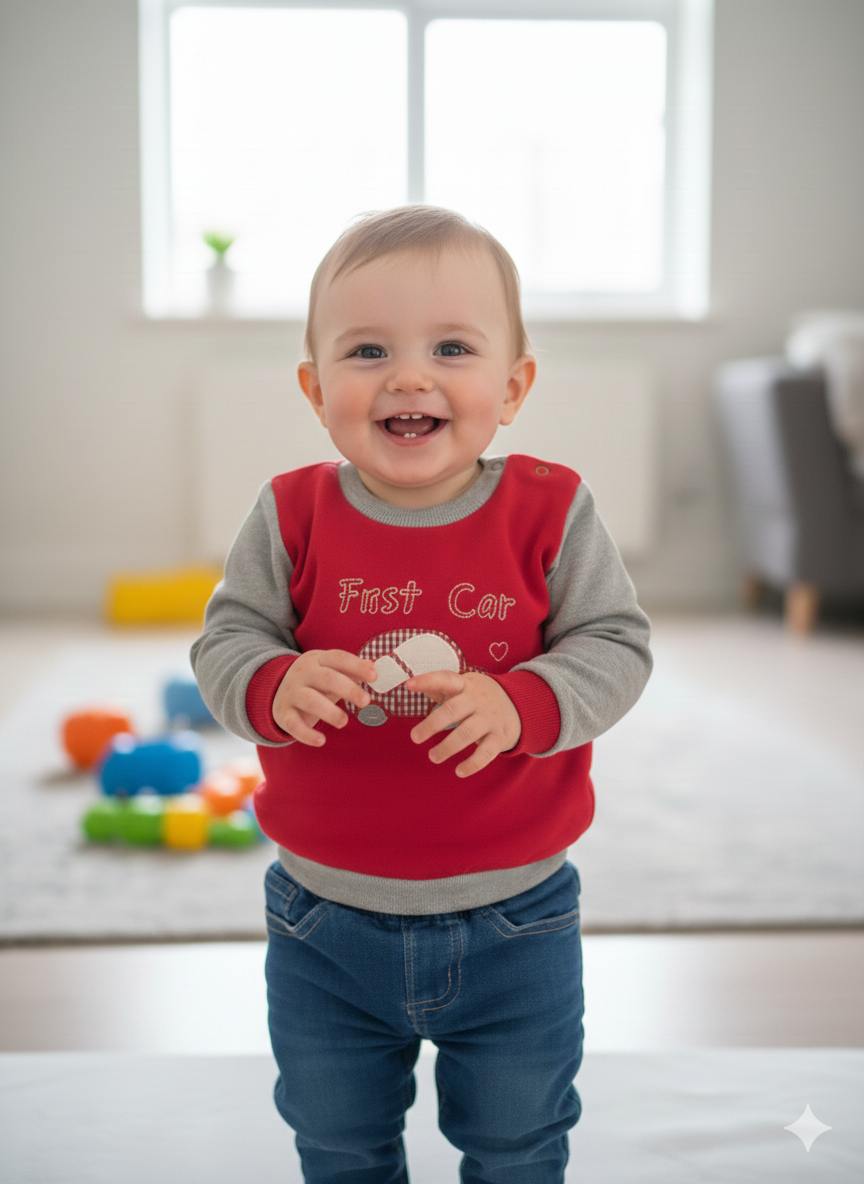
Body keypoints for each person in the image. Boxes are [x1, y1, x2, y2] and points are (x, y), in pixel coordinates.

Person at [191, 205, 652, 1184]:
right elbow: (226, 641)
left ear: (514, 385)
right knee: (336, 1138)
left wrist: (525, 702)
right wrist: (274, 681)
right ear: (317, 389)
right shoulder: (289, 513)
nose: (409, 376)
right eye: (367, 350)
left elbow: (616, 644)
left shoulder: (551, 509)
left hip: (518, 914)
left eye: (451, 346)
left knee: (520, 1137)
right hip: (323, 919)